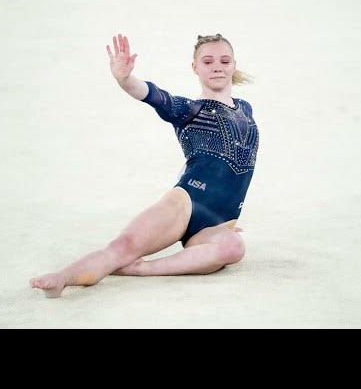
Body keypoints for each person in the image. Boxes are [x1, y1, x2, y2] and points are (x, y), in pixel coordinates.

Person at [30, 33, 259, 297]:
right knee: (122, 248)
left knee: (233, 247)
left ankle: (140, 269)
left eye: (224, 61)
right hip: (184, 204)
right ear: (195, 67)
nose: (217, 66)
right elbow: (154, 96)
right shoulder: (189, 110)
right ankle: (62, 278)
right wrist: (125, 79)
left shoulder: (245, 108)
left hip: (218, 224)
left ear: (234, 65)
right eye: (208, 61)